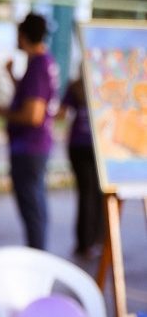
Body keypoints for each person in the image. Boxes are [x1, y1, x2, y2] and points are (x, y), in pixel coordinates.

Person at [0, 13, 59, 250]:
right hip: (35, 146)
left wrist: (4, 113)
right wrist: (12, 76)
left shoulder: (39, 66)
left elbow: (33, 115)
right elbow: (31, 98)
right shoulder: (44, 63)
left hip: (29, 147)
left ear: (22, 36)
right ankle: (38, 250)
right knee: (36, 203)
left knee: (32, 205)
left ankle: (37, 255)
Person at [58, 74, 102, 257]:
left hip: (84, 145)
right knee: (93, 194)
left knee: (89, 193)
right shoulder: (100, 81)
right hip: (92, 146)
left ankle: (89, 242)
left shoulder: (76, 85)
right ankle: (89, 241)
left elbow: (61, 113)